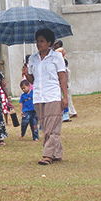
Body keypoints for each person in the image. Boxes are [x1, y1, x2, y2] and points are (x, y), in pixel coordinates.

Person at [22, 28, 68, 165]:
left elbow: (62, 77)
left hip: (52, 95)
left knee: (52, 128)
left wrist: (65, 96)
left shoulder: (56, 57)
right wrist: (25, 73)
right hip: (38, 97)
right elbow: (32, 80)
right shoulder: (33, 59)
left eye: (42, 41)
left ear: (49, 42)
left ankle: (47, 155)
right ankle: (57, 153)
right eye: (37, 41)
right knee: (45, 126)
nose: (38, 44)